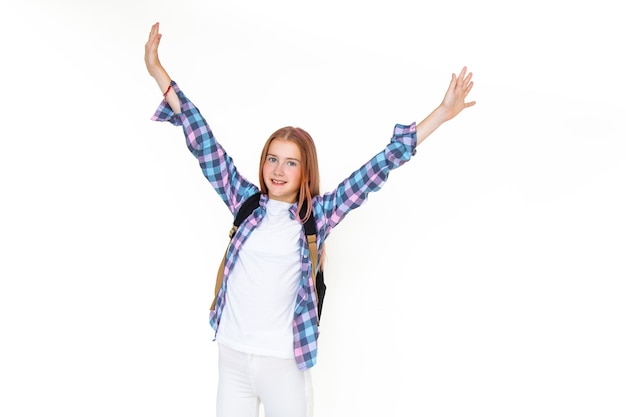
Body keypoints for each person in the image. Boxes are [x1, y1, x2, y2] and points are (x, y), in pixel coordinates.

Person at [144, 21, 475, 417]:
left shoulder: (317, 216)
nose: (278, 170)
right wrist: (158, 71)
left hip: (283, 364)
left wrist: (441, 113)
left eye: (290, 162)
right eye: (272, 159)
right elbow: (202, 141)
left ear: (305, 171)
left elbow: (377, 167)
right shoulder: (244, 202)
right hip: (232, 356)